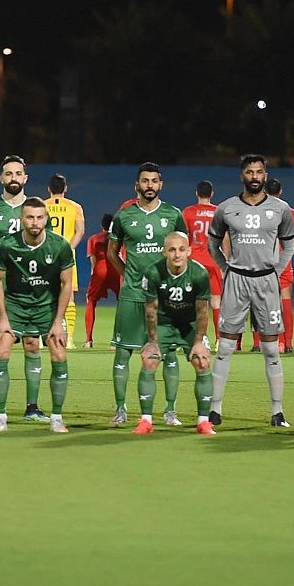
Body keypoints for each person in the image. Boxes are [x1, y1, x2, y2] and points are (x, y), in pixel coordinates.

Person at [207, 154, 294, 428]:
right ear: (242, 175)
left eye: (259, 172)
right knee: (225, 347)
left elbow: (289, 244)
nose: (254, 177)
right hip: (236, 280)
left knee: (271, 349)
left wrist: (276, 271)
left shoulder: (281, 209)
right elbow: (213, 243)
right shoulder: (226, 208)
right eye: (249, 172)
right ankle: (214, 410)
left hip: (266, 282)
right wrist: (225, 268)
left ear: (265, 175)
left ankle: (278, 412)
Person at [107, 162, 187, 425]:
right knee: (123, 352)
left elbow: (182, 251)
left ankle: (170, 411)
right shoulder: (123, 216)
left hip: (165, 297)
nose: (149, 185)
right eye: (145, 180)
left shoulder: (173, 214)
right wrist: (128, 275)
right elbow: (112, 253)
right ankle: (120, 409)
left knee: (170, 353)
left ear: (160, 184)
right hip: (132, 295)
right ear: (137, 185)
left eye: (154, 181)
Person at [0, 197, 75, 433]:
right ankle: (0, 417)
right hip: (16, 307)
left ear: (46, 219)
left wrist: (58, 321)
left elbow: (67, 284)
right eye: (29, 217)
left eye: (39, 217)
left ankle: (57, 418)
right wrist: (3, 317)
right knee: (1, 350)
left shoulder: (60, 246)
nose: (35, 222)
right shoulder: (8, 245)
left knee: (59, 354)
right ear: (21, 219)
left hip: (47, 308)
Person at [0, 155, 46, 423]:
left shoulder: (36, 208)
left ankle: (32, 408)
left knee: (32, 344)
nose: (14, 178)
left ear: (25, 178)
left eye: (18, 173)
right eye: (8, 174)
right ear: (1, 178)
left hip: (30, 289)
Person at [132, 231, 216, 435]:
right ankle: (146, 421)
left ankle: (203, 422)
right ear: (164, 252)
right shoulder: (153, 272)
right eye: (172, 250)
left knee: (202, 361)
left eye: (181, 249)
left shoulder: (199, 273)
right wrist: (152, 342)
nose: (177, 254)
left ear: (189, 251)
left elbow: (202, 311)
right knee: (149, 360)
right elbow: (150, 310)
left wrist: (199, 342)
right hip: (164, 322)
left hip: (189, 324)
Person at [251, 177, 294, 354]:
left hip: (261, 260)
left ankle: (258, 343)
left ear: (264, 191)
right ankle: (286, 343)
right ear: (281, 191)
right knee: (285, 299)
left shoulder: (256, 209)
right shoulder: (289, 211)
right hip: (283, 260)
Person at [45, 173, 85, 349]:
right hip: (66, 256)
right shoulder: (75, 207)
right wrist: (69, 249)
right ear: (65, 188)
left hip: (46, 254)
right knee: (69, 297)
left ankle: (40, 338)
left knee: (42, 295)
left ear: (49, 189)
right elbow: (80, 231)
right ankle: (69, 339)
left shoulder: (42, 206)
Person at [182, 180, 222, 345]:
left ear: (197, 193)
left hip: (194, 262)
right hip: (214, 261)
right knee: (216, 302)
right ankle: (219, 339)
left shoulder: (188, 212)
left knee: (193, 302)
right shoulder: (218, 212)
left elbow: (183, 237)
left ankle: (196, 337)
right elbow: (225, 239)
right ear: (212, 194)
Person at [83, 213, 120, 347]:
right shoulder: (119, 238)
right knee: (123, 303)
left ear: (101, 225)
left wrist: (94, 277)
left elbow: (93, 262)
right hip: (116, 269)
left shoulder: (93, 239)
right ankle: (116, 340)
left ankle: (88, 340)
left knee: (91, 301)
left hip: (100, 269)